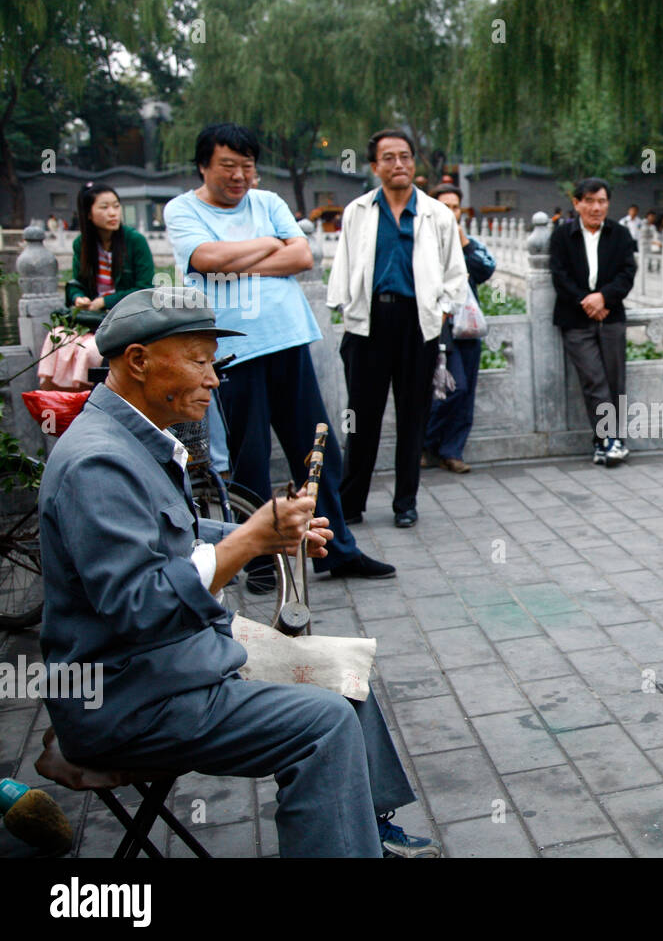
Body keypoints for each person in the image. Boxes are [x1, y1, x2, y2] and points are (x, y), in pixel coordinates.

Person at [39, 288, 438, 857]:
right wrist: (250, 539)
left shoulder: (129, 438)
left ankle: (365, 830)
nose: (214, 378)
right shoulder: (98, 461)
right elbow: (139, 604)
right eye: (199, 361)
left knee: (344, 672)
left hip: (168, 666)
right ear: (139, 361)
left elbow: (172, 534)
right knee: (322, 723)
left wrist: (262, 537)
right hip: (128, 698)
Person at [164, 122, 394, 580]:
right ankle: (260, 563)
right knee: (248, 461)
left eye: (247, 167)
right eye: (228, 166)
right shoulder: (182, 209)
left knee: (316, 450)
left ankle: (337, 550)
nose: (239, 176)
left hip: (287, 341)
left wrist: (238, 256)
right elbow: (205, 259)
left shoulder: (267, 201)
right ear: (204, 166)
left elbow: (302, 257)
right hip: (231, 352)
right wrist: (271, 244)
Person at [327, 129, 467, 528]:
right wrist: (346, 310)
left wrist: (440, 313)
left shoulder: (437, 213)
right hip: (368, 324)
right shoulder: (357, 210)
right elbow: (343, 264)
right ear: (375, 166)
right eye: (388, 158)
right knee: (362, 417)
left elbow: (455, 272)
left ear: (413, 163)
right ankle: (351, 503)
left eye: (405, 156)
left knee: (413, 417)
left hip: (417, 323)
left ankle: (406, 502)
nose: (399, 164)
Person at [549, 177, 638, 466]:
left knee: (614, 380)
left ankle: (605, 442)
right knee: (594, 380)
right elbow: (559, 276)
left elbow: (627, 274)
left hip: (610, 316)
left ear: (608, 204)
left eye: (601, 201)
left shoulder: (620, 234)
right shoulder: (562, 235)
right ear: (577, 203)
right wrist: (587, 301)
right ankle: (611, 439)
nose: (596, 207)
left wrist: (604, 298)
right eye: (589, 201)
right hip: (575, 319)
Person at [424, 182, 493, 474]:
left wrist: (462, 241)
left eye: (455, 207)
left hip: (468, 327)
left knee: (466, 394)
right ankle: (426, 444)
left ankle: (453, 451)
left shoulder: (470, 243)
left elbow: (485, 269)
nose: (451, 213)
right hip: (438, 327)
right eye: (444, 207)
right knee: (451, 388)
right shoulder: (423, 244)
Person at [65, 183, 155, 330]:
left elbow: (145, 289)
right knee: (56, 336)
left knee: (89, 351)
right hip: (93, 317)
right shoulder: (81, 244)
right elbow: (77, 284)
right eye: (104, 207)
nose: (113, 213)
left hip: (129, 317)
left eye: (116, 206)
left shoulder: (135, 241)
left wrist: (104, 302)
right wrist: (78, 298)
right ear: (88, 213)